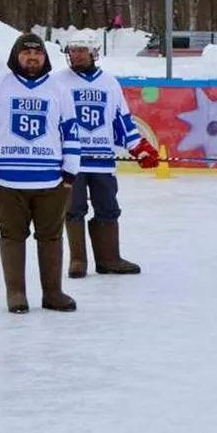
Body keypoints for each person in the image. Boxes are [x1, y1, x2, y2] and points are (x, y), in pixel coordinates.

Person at [53, 32, 159, 278]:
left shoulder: (109, 83)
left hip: (102, 161)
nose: (76, 55)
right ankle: (78, 261)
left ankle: (109, 259)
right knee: (73, 208)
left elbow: (121, 122)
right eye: (73, 50)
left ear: (93, 52)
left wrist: (140, 148)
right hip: (73, 160)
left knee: (108, 208)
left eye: (82, 50)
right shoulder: (57, 81)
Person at [0, 32, 82, 313]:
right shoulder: (1, 83)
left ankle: (53, 293)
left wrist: (70, 171)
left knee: (51, 236)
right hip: (7, 180)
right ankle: (16, 293)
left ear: (45, 57)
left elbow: (71, 130)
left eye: (38, 54)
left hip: (50, 180)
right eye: (26, 53)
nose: (32, 58)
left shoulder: (58, 88)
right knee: (12, 235)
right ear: (16, 56)